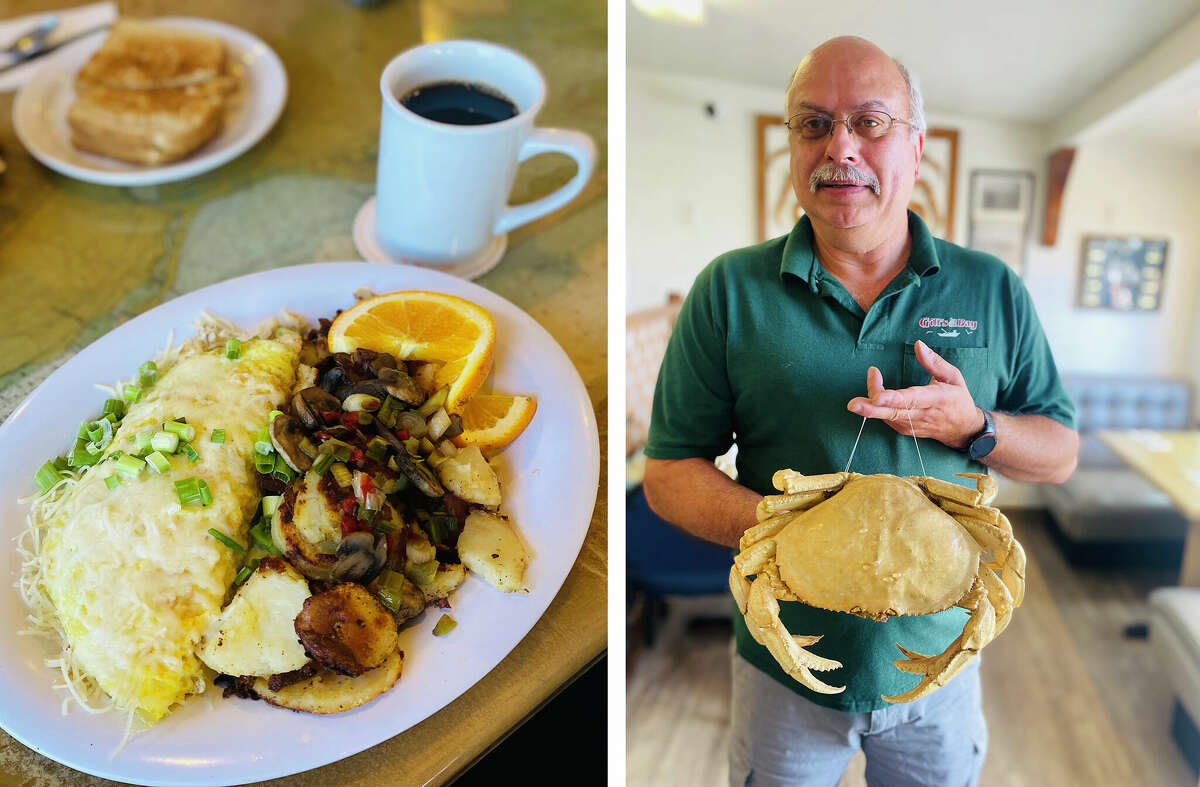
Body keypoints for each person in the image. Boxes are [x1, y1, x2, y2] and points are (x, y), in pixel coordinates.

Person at [641, 35, 1079, 787]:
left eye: (869, 122)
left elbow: (1061, 453)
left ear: (915, 151)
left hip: (941, 661)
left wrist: (973, 428)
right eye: (813, 124)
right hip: (785, 665)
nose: (838, 145)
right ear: (791, 151)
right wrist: (799, 537)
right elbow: (668, 472)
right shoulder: (728, 291)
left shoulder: (993, 289)